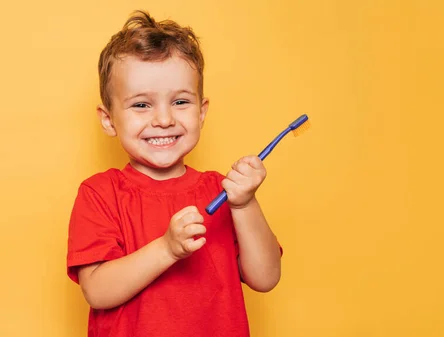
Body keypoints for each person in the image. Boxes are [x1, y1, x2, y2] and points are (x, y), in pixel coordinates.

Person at [66, 10, 282, 337]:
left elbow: (266, 278)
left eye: (180, 101)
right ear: (109, 120)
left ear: (202, 111)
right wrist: (167, 249)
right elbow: (97, 290)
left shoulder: (222, 191)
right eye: (141, 105)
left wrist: (244, 205)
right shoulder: (99, 193)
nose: (164, 119)